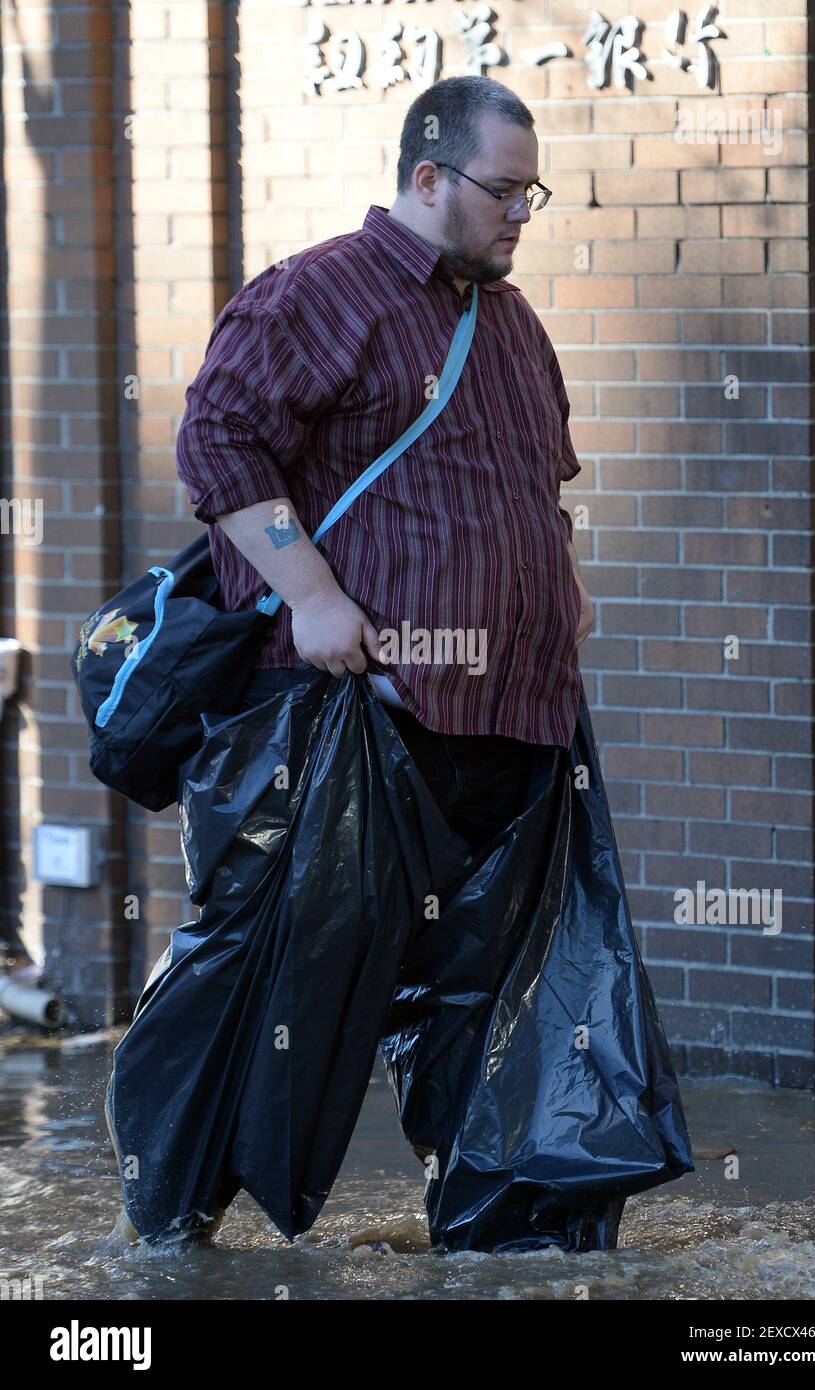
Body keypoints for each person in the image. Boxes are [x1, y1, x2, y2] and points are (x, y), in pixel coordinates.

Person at [110, 75, 622, 1249]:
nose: (519, 214)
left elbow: (531, 488)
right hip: (361, 720)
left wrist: (561, 590)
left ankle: (499, 1233)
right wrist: (310, 593)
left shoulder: (511, 324)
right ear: (427, 176)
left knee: (485, 1003)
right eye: (501, 189)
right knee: (272, 981)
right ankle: (168, 1225)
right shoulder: (321, 291)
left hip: (508, 726)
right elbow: (217, 439)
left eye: (530, 192)